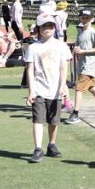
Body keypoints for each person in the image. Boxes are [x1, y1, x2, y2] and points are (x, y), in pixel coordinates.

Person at [24, 13, 72, 163]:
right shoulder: (33, 47)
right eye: (44, 26)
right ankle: (38, 148)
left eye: (50, 25)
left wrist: (63, 85)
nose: (48, 28)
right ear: (39, 28)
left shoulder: (61, 46)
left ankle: (52, 144)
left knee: (53, 121)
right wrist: (31, 90)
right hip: (39, 89)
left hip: (56, 89)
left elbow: (64, 68)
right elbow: (30, 70)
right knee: (38, 119)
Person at [65, 9, 95, 125]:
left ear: (92, 19)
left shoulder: (93, 32)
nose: (84, 20)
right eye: (83, 17)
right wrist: (76, 49)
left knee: (79, 88)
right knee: (91, 87)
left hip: (89, 64)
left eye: (87, 18)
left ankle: (75, 113)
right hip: (82, 63)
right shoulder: (81, 32)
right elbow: (78, 46)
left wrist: (83, 51)